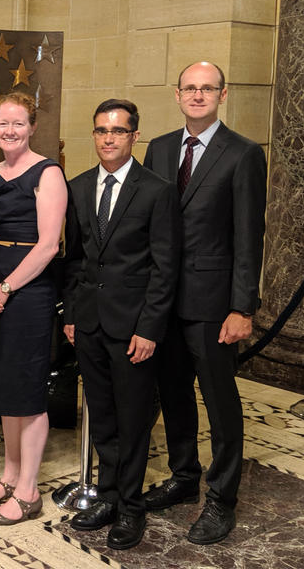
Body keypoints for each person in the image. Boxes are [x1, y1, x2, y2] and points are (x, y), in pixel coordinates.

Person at [142, 61, 267, 544]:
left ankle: (221, 497)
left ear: (223, 94)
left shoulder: (243, 154)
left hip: (215, 305)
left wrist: (243, 308)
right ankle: (183, 476)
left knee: (219, 402)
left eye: (207, 88)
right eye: (190, 88)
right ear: (177, 95)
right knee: (172, 394)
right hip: (163, 301)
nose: (198, 95)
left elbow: (248, 237)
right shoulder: (159, 147)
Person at [63, 99, 181, 550]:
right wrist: (72, 316)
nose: (108, 138)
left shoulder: (155, 190)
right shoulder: (78, 187)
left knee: (133, 419)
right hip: (90, 324)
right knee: (103, 416)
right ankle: (109, 496)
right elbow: (74, 260)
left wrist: (150, 328)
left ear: (135, 136)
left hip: (134, 328)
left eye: (117, 131)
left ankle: (131, 508)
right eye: (100, 131)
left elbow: (164, 267)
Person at [0, 92, 67, 526]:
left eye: (19, 123)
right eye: (3, 123)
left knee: (26, 390)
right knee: (5, 389)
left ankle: (28, 490)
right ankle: (9, 477)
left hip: (29, 292)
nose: (10, 130)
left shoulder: (48, 173)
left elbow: (49, 245)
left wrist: (6, 288)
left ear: (31, 127)